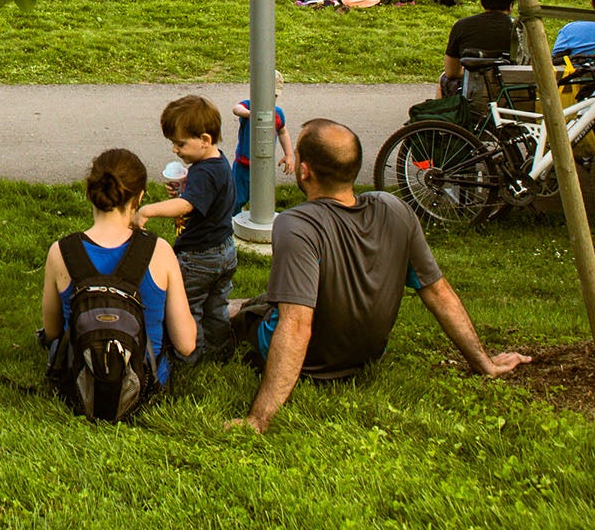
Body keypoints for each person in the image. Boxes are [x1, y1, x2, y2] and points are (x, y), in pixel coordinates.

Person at [227, 120, 530, 432]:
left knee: (239, 311)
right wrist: (485, 363)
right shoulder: (394, 208)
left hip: (311, 364)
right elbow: (438, 292)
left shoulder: (297, 224)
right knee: (267, 300)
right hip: (367, 354)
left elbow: (297, 325)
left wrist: (259, 418)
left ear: (305, 171)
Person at [39, 149, 197, 407]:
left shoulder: (61, 252)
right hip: (145, 383)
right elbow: (186, 344)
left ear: (89, 193)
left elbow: (53, 330)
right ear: (140, 197)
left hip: (80, 380)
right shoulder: (159, 251)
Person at [137, 96, 236, 365]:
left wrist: (148, 210)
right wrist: (183, 189)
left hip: (199, 256)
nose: (175, 150)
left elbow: (187, 205)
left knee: (188, 308)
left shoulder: (204, 173)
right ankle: (221, 351)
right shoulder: (217, 163)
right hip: (225, 251)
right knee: (216, 307)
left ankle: (190, 357)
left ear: (204, 139)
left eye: (180, 143)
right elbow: (204, 199)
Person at [440, 0, 520, 97]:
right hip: (513, 95)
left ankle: (444, 115)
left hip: (473, 95)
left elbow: (451, 72)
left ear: (483, 2)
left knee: (444, 79)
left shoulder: (462, 26)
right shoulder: (521, 30)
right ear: (511, 4)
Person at [231, 75, 294, 214]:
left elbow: (283, 132)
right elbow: (236, 109)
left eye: (274, 96)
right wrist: (249, 114)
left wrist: (288, 155)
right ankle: (232, 220)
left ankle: (258, 218)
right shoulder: (248, 105)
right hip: (243, 165)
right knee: (235, 199)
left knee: (263, 200)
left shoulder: (277, 113)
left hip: (265, 166)